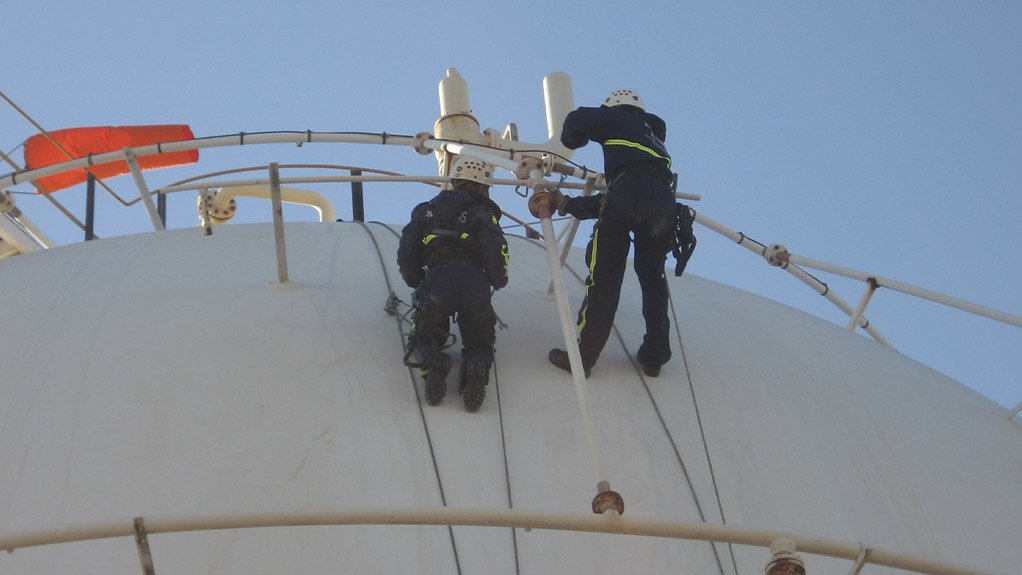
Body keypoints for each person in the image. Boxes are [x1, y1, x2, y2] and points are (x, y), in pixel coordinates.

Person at [548, 88, 676, 378]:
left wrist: (573, 140)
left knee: (605, 277)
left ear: (613, 106)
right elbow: (625, 195)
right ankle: (655, 356)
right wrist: (569, 205)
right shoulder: (652, 135)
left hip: (629, 192)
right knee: (653, 279)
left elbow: (575, 120)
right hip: (664, 202)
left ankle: (584, 357)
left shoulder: (615, 118)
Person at [398, 157, 509, 412]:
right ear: (482, 186)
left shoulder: (424, 211)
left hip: (438, 279)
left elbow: (407, 253)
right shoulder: (483, 213)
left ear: (455, 180)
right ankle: (475, 370)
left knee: (426, 330)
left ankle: (433, 363)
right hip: (474, 282)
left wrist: (414, 279)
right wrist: (498, 279)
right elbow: (496, 249)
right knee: (480, 336)